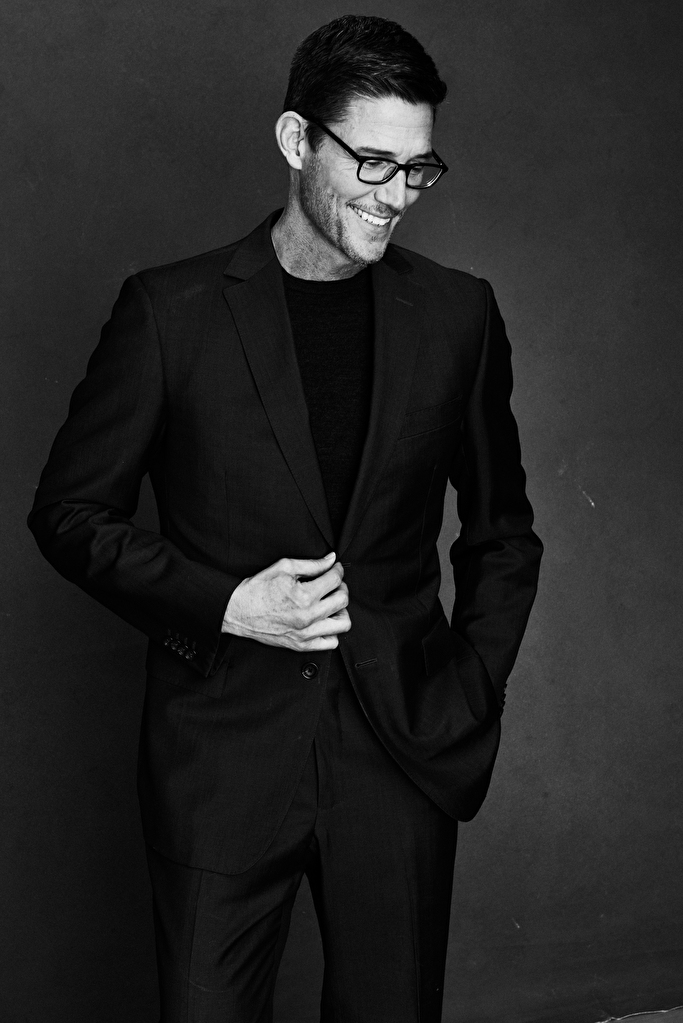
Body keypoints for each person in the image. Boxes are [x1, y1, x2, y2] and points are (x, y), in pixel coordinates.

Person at [28, 14, 542, 1023]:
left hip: (398, 753)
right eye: (371, 162)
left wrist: (466, 693)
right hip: (220, 760)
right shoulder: (168, 313)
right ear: (296, 140)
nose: (395, 194)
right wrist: (225, 604)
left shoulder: (458, 315)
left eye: (418, 168)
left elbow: (502, 534)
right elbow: (68, 512)